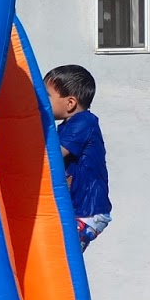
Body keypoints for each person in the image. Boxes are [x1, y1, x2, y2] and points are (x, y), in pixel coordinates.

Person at [44, 65, 112, 249]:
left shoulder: (84, 122)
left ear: (70, 103)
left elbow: (51, 156)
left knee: (62, 251)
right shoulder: (66, 126)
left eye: (47, 96)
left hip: (88, 211)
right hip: (76, 209)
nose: (41, 101)